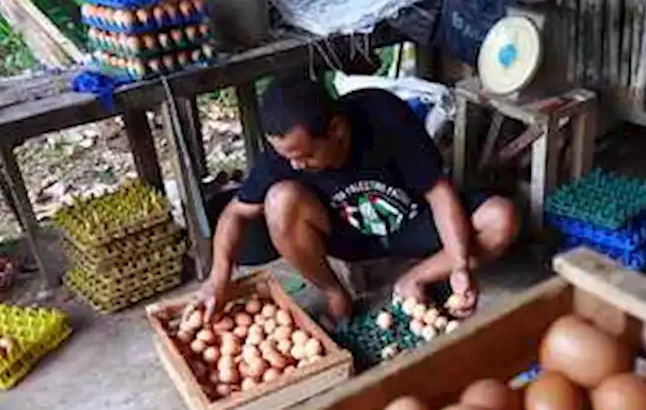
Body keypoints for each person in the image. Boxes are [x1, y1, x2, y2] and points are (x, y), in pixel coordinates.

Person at [199, 76, 520, 321]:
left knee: (501, 218)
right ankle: (336, 294)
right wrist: (218, 277)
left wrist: (460, 267)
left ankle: (414, 278)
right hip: (348, 236)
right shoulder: (286, 154)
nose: (295, 164)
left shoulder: (384, 116)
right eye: (288, 157)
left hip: (413, 225)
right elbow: (235, 213)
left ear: (337, 130)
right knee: (279, 201)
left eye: (306, 155)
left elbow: (438, 193)